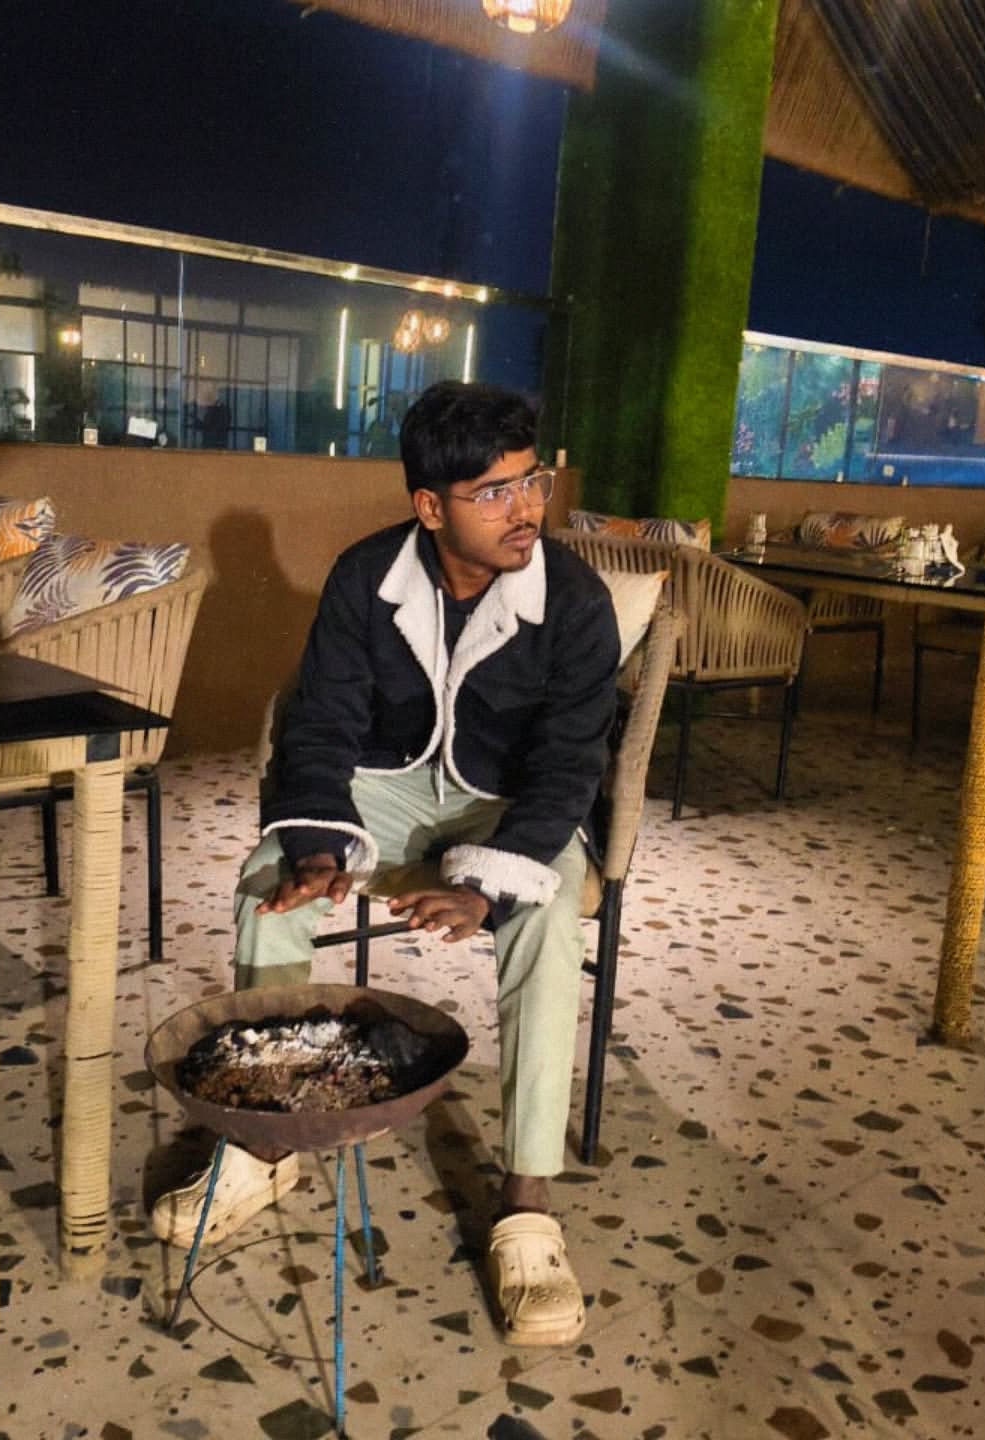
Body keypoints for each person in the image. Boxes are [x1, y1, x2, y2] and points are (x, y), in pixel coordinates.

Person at [152, 381, 620, 1347]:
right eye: (494, 493)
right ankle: (265, 1144)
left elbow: (571, 764)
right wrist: (319, 848)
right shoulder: (367, 576)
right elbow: (323, 718)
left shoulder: (575, 601)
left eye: (531, 482)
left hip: (510, 805)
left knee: (546, 912)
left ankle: (528, 1203)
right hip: (391, 788)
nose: (526, 510)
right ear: (430, 507)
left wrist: (487, 884)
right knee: (268, 885)